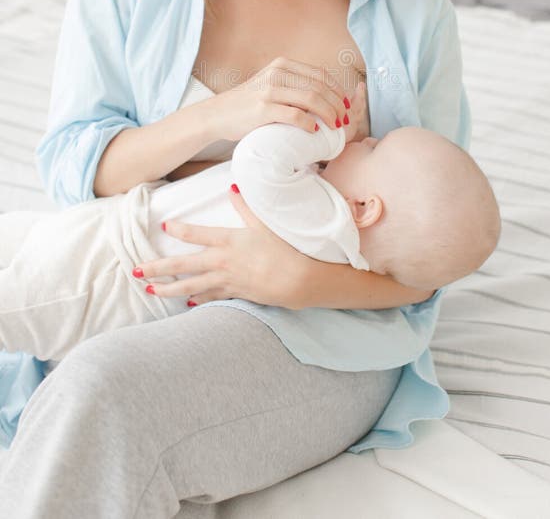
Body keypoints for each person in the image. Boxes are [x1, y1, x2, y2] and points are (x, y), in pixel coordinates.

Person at [0, 0, 473, 518]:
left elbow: (432, 255)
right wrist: (222, 117)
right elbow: (78, 164)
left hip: (314, 331)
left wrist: (293, 277)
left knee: (100, 393)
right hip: (129, 278)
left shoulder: (409, 4)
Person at [0, 84, 499, 363]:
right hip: (111, 240)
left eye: (375, 146)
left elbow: (259, 156)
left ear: (365, 208)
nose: (365, 140)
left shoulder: (320, 219)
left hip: (109, 272)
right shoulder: (338, 242)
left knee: (16, 303)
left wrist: (333, 131)